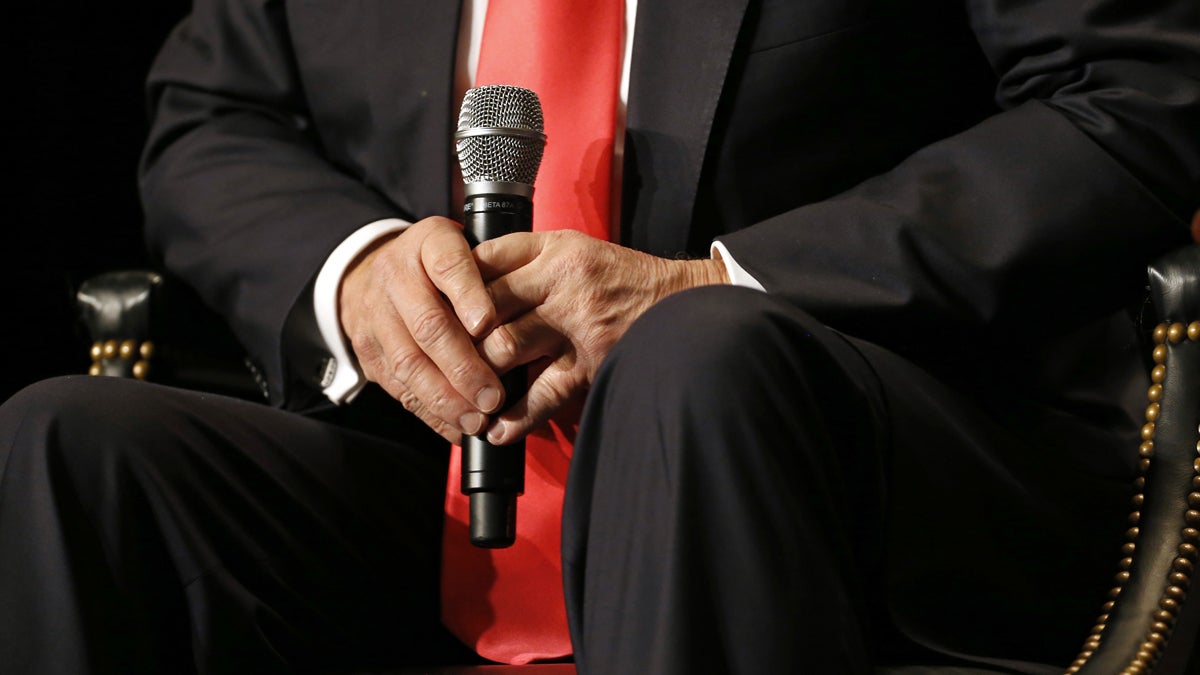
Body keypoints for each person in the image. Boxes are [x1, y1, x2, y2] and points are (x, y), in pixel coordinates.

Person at [2, 0, 1198, 673]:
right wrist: (358, 274)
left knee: (694, 354)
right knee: (70, 441)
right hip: (440, 480)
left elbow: (1133, 95)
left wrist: (720, 282)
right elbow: (214, 115)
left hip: (851, 467)